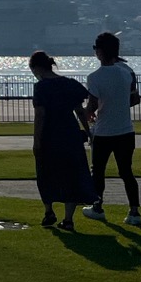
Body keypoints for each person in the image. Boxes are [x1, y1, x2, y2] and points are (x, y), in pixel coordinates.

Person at [28, 50, 96, 230]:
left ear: (36, 68)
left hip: (50, 134)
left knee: (45, 172)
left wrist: (37, 141)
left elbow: (40, 116)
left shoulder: (41, 87)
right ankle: (68, 219)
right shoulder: (69, 84)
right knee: (72, 173)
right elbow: (80, 111)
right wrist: (88, 132)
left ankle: (48, 210)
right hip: (70, 133)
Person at [82, 32, 141, 227]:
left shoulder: (94, 78)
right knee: (126, 172)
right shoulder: (125, 73)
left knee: (98, 171)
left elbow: (92, 106)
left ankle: (98, 206)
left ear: (99, 52)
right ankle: (134, 211)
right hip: (126, 130)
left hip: (104, 131)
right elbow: (133, 98)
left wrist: (84, 113)